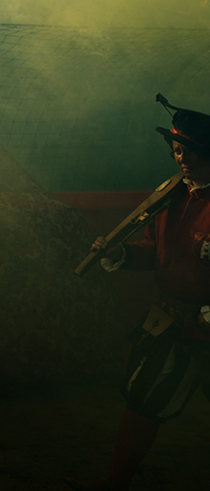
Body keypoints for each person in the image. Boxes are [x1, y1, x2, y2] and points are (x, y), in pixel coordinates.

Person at [65, 97, 210, 491]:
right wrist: (121, 253)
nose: (183, 158)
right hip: (174, 324)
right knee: (143, 401)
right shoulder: (170, 196)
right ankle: (117, 480)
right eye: (178, 150)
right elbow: (153, 248)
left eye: (193, 151)